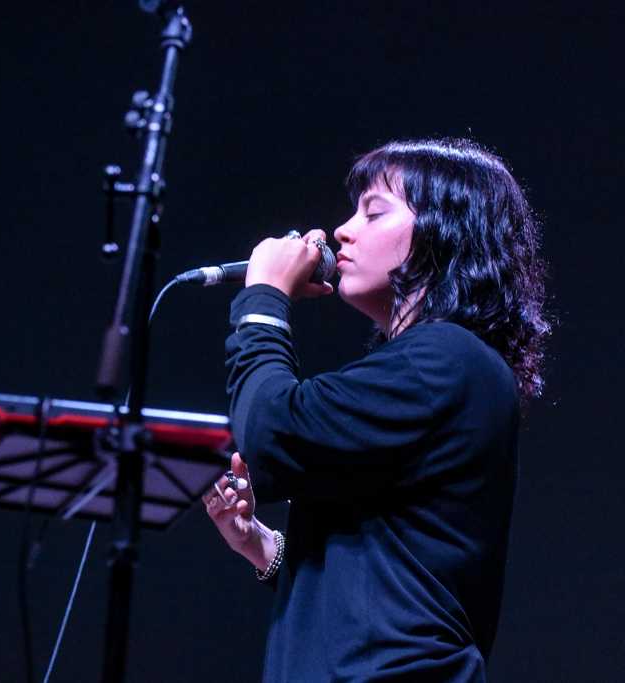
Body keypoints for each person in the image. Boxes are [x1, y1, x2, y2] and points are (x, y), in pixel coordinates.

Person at [201, 138, 550, 681]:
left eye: (374, 212)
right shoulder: (437, 366)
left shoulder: (447, 359)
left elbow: (270, 430)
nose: (342, 231)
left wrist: (264, 298)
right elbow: (387, 571)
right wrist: (265, 548)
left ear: (441, 233)